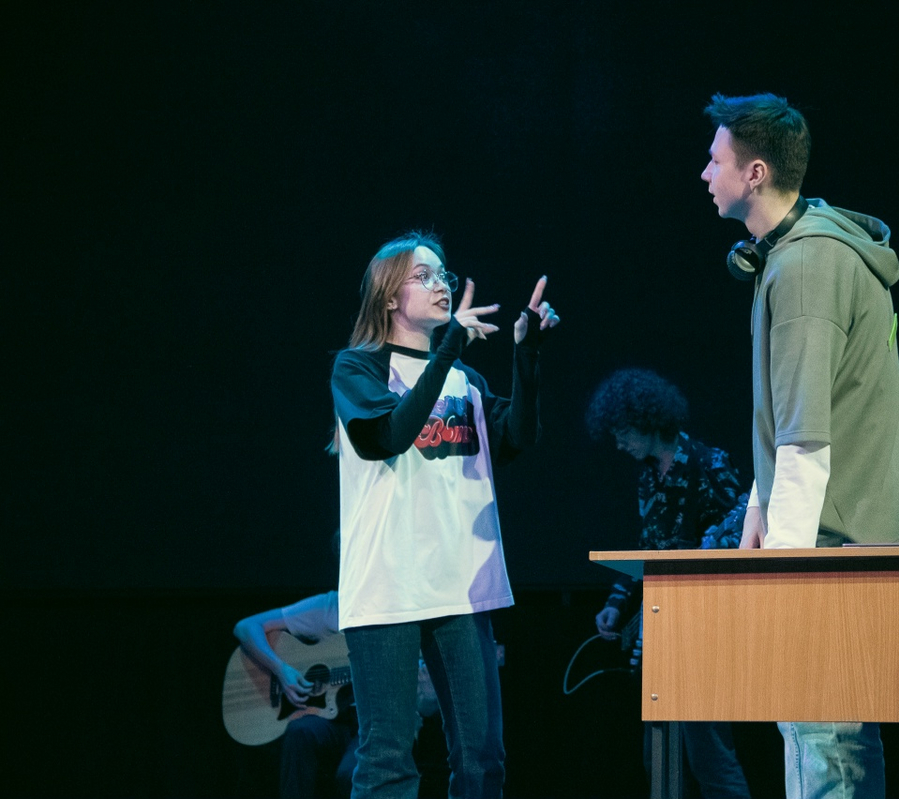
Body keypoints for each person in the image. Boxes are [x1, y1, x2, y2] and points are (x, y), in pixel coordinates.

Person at [700, 93, 899, 799]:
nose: (705, 172)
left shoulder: (806, 266)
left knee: (825, 744)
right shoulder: (801, 254)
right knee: (838, 740)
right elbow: (792, 413)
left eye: (716, 160)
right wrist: (758, 510)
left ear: (755, 173)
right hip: (840, 538)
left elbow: (806, 438)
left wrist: (783, 575)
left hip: (830, 547)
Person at [330, 231, 559, 799]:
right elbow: (390, 435)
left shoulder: (466, 381)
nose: (441, 286)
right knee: (388, 762)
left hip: (460, 588)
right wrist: (451, 346)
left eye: (444, 275)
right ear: (389, 296)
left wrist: (526, 353)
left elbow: (518, 438)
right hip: (388, 589)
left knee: (482, 760)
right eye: (424, 276)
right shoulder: (358, 369)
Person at [585, 367, 751, 799]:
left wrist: (699, 557)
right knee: (657, 755)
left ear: (646, 421)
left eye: (623, 433)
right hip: (664, 625)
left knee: (710, 756)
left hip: (706, 627)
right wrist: (616, 603)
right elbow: (648, 547)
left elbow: (741, 533)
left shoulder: (708, 463)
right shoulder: (647, 477)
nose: (619, 444)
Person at [232, 591, 440, 799]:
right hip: (334, 719)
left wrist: (430, 697)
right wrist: (281, 669)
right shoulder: (334, 606)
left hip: (384, 722)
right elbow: (246, 627)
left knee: (352, 774)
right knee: (300, 733)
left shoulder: (409, 614)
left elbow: (425, 707)